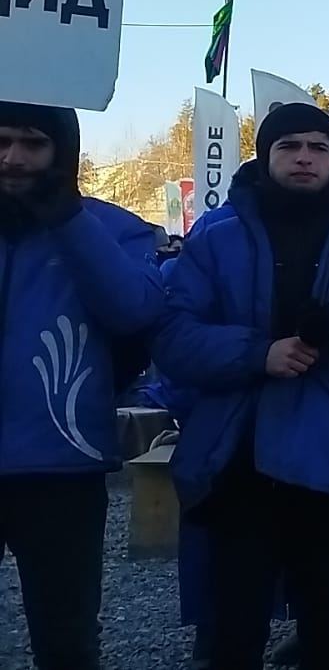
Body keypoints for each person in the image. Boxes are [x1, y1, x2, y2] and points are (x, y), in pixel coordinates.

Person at [153, 103, 329, 670]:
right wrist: (257, 354)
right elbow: (173, 338)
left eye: (319, 147)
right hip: (240, 461)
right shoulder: (216, 240)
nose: (304, 158)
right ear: (266, 154)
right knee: (234, 631)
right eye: (289, 146)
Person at [0, 101, 165, 670]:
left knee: (66, 639)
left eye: (31, 143)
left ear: (62, 152)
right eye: (0, 142)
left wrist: (67, 218)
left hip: (61, 464)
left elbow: (134, 311)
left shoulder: (115, 228)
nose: (13, 158)